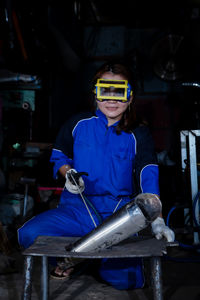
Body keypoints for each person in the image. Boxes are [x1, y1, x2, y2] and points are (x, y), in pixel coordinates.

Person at [18, 61, 175, 290]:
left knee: (126, 282)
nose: (111, 100)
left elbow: (147, 174)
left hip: (118, 216)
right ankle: (83, 255)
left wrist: (157, 218)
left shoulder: (139, 133)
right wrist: (69, 174)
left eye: (119, 93)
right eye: (105, 91)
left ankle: (79, 258)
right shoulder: (76, 124)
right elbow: (60, 156)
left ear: (130, 97)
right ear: (95, 94)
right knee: (27, 234)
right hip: (78, 209)